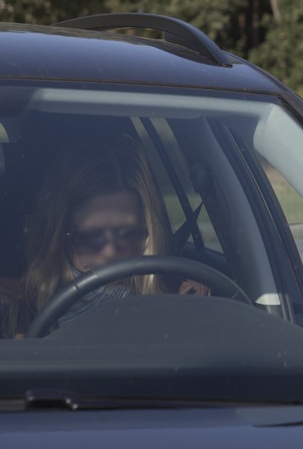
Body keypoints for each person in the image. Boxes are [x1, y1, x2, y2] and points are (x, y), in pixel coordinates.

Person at [4, 133, 204, 337]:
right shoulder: (22, 312)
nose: (111, 251)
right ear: (60, 236)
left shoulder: (174, 296)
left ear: (148, 232)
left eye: (129, 234)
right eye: (93, 237)